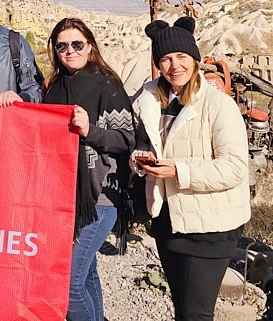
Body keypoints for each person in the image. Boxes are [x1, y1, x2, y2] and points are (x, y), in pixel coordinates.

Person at [131, 17, 250, 321]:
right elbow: (145, 146)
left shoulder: (218, 106)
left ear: (195, 60)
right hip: (169, 221)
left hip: (211, 226)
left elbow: (235, 168)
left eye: (181, 57)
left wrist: (178, 171)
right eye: (166, 59)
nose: (174, 66)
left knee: (196, 313)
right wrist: (141, 161)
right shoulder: (152, 102)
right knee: (182, 308)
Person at [42, 18, 135, 321]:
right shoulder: (54, 86)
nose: (70, 51)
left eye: (77, 44)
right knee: (88, 272)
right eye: (62, 46)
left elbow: (125, 140)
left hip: (100, 199)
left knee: (69, 284)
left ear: (90, 46)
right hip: (66, 196)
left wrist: (89, 131)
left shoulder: (107, 85)